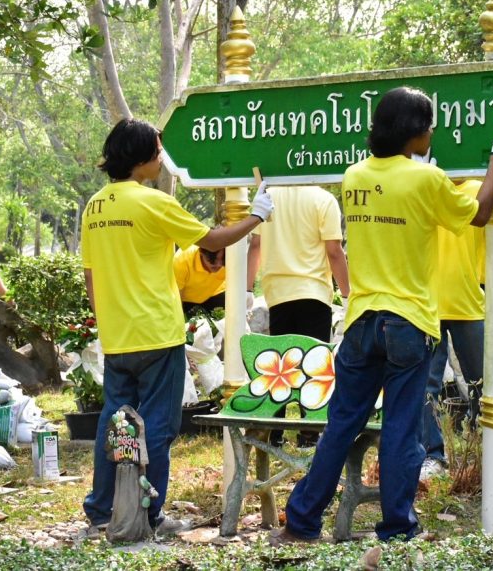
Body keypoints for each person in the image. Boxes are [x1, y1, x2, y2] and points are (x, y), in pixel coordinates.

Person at [269, 85, 493, 545]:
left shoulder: (354, 176)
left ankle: (301, 523)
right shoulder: (426, 180)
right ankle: (396, 528)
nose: (433, 133)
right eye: (429, 127)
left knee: (340, 427)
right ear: (415, 132)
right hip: (409, 323)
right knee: (402, 432)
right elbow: (481, 214)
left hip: (362, 320)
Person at [80, 118, 273, 539]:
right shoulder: (152, 202)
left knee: (113, 424)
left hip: (117, 337)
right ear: (141, 157)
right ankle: (149, 515)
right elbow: (214, 240)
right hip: (158, 335)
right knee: (158, 428)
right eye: (157, 150)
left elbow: (91, 277)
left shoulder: (94, 206)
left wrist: (109, 324)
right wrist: (257, 216)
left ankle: (99, 510)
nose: (162, 158)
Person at [247, 185, 350, 446]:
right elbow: (334, 251)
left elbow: (256, 245)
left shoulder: (268, 197)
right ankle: (309, 434)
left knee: (281, 366)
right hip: (313, 292)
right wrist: (349, 294)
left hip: (277, 294)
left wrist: (247, 288)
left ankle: (275, 431)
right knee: (313, 367)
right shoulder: (323, 199)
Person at [420, 177, 485, 481]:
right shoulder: (425, 184)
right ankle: (433, 455)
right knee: (424, 387)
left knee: (483, 384)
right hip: (427, 305)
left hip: (469, 302)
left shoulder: (477, 188)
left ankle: (485, 449)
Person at [173, 244, 226, 316]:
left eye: (223, 260)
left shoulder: (232, 256)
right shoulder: (181, 260)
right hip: (187, 299)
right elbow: (177, 300)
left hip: (216, 292)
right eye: (213, 259)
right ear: (201, 251)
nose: (219, 264)